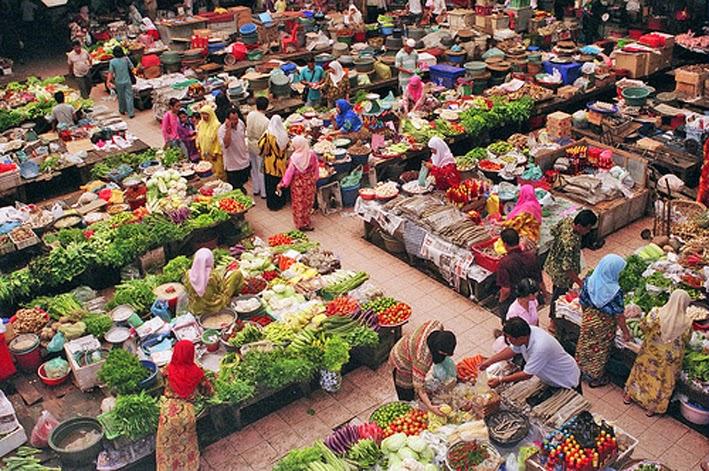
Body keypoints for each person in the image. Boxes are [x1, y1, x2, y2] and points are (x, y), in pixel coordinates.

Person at [624, 290, 693, 417]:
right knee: (661, 382)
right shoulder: (687, 322)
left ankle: (629, 397)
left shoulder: (656, 313)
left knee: (641, 374)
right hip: (669, 360)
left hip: (650, 353)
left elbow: (644, 326)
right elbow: (687, 339)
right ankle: (651, 408)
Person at [480, 317, 582, 391]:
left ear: (521, 338)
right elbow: (512, 350)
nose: (508, 340)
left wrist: (500, 380)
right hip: (550, 378)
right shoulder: (526, 332)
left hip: (565, 380)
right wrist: (489, 361)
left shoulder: (540, 347)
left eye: (511, 338)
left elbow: (527, 374)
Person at [156, 340, 213, 471]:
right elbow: (207, 390)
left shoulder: (168, 369)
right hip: (186, 413)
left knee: (167, 447)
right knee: (186, 445)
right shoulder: (197, 372)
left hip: (168, 413)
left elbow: (163, 378)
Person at [576, 254, 631, 388]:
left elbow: (582, 301)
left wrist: (587, 316)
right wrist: (625, 332)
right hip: (604, 325)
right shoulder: (615, 291)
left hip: (589, 319)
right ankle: (595, 378)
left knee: (585, 345)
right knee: (599, 350)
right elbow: (619, 315)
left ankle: (580, 370)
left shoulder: (589, 281)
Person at [544, 209, 597, 328]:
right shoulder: (570, 243)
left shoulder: (566, 221)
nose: (588, 232)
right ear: (579, 226)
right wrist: (579, 282)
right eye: (587, 228)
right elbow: (567, 268)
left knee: (556, 290)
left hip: (553, 262)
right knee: (559, 296)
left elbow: (553, 231)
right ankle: (553, 321)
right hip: (562, 274)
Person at [389, 320, 456, 415]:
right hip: (401, 360)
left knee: (415, 386)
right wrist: (430, 406)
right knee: (406, 391)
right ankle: (406, 410)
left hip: (409, 346)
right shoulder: (423, 358)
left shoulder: (436, 325)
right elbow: (419, 386)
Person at [497, 228, 546, 319]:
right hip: (530, 297)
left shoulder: (504, 263)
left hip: (513, 299)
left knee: (513, 325)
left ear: (505, 244)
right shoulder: (531, 256)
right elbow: (540, 280)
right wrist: (545, 294)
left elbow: (506, 290)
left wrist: (501, 301)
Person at [183, 248, 243, 315]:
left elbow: (187, 290)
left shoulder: (188, 274)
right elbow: (221, 289)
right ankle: (236, 296)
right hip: (215, 306)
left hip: (196, 308)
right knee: (236, 274)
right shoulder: (212, 275)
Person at [278, 136, 319, 231]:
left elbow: (289, 173)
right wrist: (315, 179)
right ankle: (306, 221)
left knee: (299, 203)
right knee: (308, 202)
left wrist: (283, 183)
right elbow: (316, 168)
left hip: (298, 185)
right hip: (309, 183)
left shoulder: (294, 158)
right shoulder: (311, 154)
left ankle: (300, 224)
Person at [259, 115, 289, 210]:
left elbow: (261, 147)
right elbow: (288, 145)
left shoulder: (268, 135)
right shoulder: (284, 133)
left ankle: (273, 204)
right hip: (282, 163)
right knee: (280, 183)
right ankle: (281, 201)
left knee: (271, 185)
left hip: (271, 164)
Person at [219, 107, 251, 194]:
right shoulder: (222, 130)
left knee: (243, 181)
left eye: (236, 119)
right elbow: (226, 144)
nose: (235, 122)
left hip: (243, 160)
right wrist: (228, 129)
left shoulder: (240, 123)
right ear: (227, 120)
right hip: (232, 164)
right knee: (235, 186)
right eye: (232, 120)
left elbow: (243, 134)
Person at [247, 97, 269, 199]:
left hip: (250, 143)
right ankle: (264, 192)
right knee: (261, 169)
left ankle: (256, 189)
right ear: (267, 107)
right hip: (260, 146)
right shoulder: (265, 121)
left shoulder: (250, 115)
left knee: (254, 168)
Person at [196, 105, 224, 180]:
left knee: (218, 173)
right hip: (205, 154)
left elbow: (218, 141)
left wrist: (215, 153)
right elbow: (198, 135)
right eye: (202, 114)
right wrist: (198, 146)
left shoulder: (216, 125)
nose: (204, 116)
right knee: (208, 174)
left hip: (214, 155)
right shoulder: (201, 124)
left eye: (206, 114)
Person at [107, 46, 135, 119]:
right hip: (127, 80)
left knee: (121, 96)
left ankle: (122, 109)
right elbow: (132, 67)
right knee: (129, 96)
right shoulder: (126, 59)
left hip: (118, 81)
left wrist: (108, 81)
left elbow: (110, 72)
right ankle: (131, 113)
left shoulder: (112, 61)